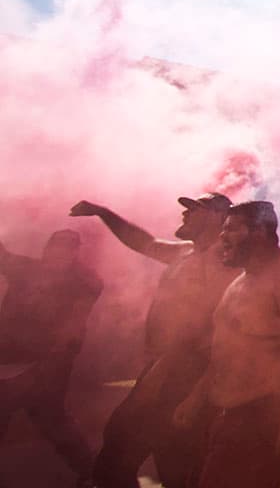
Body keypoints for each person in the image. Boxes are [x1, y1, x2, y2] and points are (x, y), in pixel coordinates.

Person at [70, 193, 238, 488]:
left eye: (193, 209)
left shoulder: (220, 261)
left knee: (152, 453)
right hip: (166, 367)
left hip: (184, 370)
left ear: (215, 217)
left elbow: (207, 325)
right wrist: (103, 212)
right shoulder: (188, 252)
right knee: (137, 450)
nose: (184, 214)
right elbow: (144, 243)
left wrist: (169, 370)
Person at [173, 200, 280, 488]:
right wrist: (197, 395)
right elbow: (227, 348)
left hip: (261, 417)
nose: (222, 237)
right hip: (227, 414)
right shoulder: (241, 282)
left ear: (258, 232)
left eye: (230, 229)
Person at [0, 229, 102, 487]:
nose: (57, 252)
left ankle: (91, 473)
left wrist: (50, 363)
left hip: (46, 364)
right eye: (53, 245)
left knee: (51, 419)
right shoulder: (25, 269)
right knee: (51, 418)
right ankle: (90, 472)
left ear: (75, 254)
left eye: (66, 248)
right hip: (10, 359)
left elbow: (74, 327)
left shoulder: (83, 283)